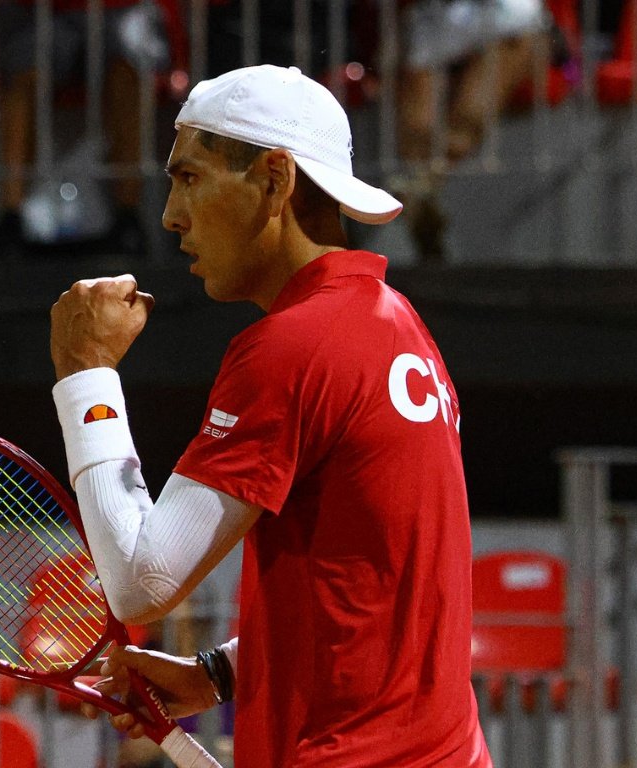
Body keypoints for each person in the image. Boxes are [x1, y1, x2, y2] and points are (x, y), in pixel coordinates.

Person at [48, 65, 490, 766]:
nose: (170, 215)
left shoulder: (293, 345)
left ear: (276, 180)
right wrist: (216, 674)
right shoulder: (397, 325)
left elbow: (142, 585)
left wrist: (86, 375)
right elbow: (373, 600)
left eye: (189, 178)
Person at [0, 0, 171, 259]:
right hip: (37, 12)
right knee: (24, 75)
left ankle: (129, 218)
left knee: (130, 73)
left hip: (119, 9)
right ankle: (10, 221)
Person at [393, 0, 551, 261]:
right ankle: (420, 198)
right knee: (418, 128)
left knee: (470, 114)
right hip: (437, 16)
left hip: (507, 18)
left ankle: (422, 188)